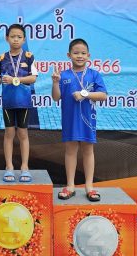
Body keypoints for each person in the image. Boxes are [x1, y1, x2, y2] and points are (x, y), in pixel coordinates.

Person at [52, 38, 107, 201]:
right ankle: (70, 185)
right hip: (70, 119)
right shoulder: (63, 75)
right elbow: (56, 97)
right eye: (76, 53)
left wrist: (86, 94)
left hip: (87, 120)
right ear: (69, 55)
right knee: (70, 151)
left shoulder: (94, 74)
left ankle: (89, 186)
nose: (80, 56)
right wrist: (55, 83)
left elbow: (103, 95)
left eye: (83, 53)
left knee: (88, 150)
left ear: (88, 55)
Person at [0, 24, 37, 183]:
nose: (16, 40)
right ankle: (9, 167)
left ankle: (25, 167)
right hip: (8, 102)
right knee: (9, 133)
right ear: (7, 38)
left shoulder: (29, 57)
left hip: (24, 102)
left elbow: (33, 78)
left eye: (19, 37)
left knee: (23, 134)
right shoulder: (1, 58)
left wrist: (15, 80)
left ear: (24, 39)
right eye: (12, 36)